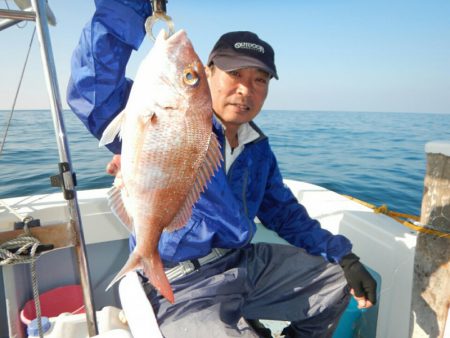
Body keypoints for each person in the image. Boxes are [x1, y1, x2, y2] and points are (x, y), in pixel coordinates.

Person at [67, 1, 377, 337]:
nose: (246, 89)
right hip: (183, 283)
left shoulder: (256, 148)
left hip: (243, 263)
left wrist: (343, 257)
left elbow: (284, 214)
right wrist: (131, 6)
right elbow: (92, 90)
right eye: (235, 74)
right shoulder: (165, 114)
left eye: (260, 79)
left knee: (339, 285)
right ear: (209, 73)